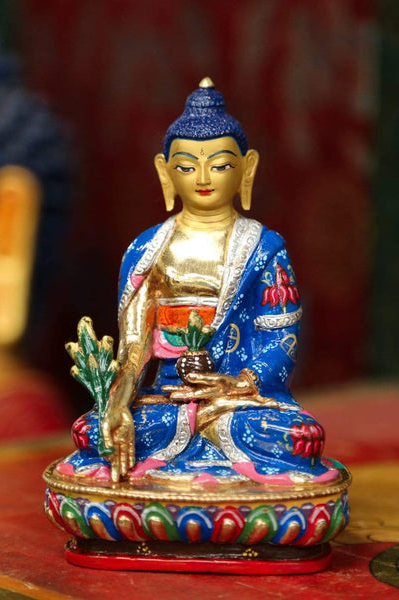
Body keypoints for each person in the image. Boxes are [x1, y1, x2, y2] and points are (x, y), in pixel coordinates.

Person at [58, 78, 336, 487]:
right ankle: (197, 446)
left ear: (247, 168)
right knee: (92, 430)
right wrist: (118, 401)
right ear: (165, 171)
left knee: (299, 437)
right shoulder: (148, 250)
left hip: (237, 402)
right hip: (166, 399)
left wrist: (239, 383)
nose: (203, 177)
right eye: (187, 167)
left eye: (220, 165)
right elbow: (133, 349)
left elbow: (282, 340)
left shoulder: (264, 248)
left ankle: (205, 442)